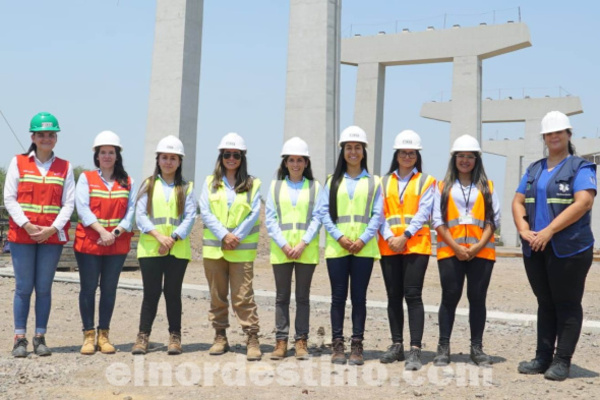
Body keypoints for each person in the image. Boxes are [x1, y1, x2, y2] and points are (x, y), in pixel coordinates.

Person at [513, 111, 596, 381]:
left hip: (569, 248)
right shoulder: (534, 168)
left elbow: (583, 202)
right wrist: (524, 229)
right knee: (545, 302)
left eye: (559, 132)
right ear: (544, 138)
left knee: (567, 303)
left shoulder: (580, 167)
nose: (554, 137)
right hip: (536, 247)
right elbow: (517, 201)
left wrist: (548, 231)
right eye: (549, 133)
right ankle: (542, 357)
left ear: (569, 134)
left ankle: (562, 361)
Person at [4, 112, 75, 357]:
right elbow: (9, 198)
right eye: (41, 134)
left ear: (56, 138)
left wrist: (52, 229)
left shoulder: (65, 167)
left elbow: (69, 203)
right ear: (33, 137)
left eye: (51, 134)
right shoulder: (19, 162)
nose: (46, 138)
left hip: (51, 238)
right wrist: (27, 225)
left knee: (44, 288)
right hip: (23, 236)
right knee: (24, 288)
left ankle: (40, 337)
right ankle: (20, 338)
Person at [431, 134, 500, 367]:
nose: (465, 160)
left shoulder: (487, 187)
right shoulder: (442, 187)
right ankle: (443, 347)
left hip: (481, 254)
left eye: (470, 156)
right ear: (454, 159)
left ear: (477, 160)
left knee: (477, 299)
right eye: (461, 156)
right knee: (449, 298)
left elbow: (493, 220)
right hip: (451, 252)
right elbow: (438, 221)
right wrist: (457, 247)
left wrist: (477, 246)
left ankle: (477, 348)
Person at [319, 125, 384, 366]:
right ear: (343, 151)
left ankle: (357, 345)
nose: (353, 152)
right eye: (349, 148)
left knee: (359, 298)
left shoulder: (374, 182)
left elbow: (378, 214)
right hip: (338, 248)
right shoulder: (331, 181)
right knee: (337, 298)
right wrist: (340, 237)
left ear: (364, 151)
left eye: (357, 147)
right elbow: (323, 212)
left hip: (363, 249)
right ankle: (338, 345)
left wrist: (362, 239)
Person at [200, 132, 262, 361]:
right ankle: (220, 336)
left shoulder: (253, 184)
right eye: (227, 154)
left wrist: (235, 236)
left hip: (241, 249)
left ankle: (252, 337)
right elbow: (205, 211)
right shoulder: (209, 183)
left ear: (242, 157)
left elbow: (254, 213)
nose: (231, 158)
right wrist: (224, 235)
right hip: (215, 249)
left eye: (236, 154)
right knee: (217, 295)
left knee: (243, 295)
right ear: (221, 156)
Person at [131, 135, 196, 356]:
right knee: (151, 293)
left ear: (179, 162)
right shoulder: (148, 185)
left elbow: (189, 217)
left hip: (177, 250)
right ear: (158, 159)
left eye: (173, 158)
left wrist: (173, 238)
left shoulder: (186, 188)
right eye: (164, 157)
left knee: (172, 293)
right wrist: (160, 237)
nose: (168, 162)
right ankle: (143, 336)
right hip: (151, 249)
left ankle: (175, 337)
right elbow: (140, 215)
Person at [74, 131, 136, 355]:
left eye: (111, 152)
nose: (107, 156)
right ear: (97, 156)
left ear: (117, 155)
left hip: (115, 244)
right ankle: (88, 336)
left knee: (109, 290)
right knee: (88, 289)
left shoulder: (127, 181)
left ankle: (104, 335)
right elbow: (82, 207)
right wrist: (102, 231)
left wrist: (116, 232)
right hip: (91, 242)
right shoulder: (86, 178)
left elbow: (131, 211)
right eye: (103, 152)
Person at [377, 130, 435, 370]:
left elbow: (424, 212)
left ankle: (415, 348)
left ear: (417, 155)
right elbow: (378, 213)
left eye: (411, 153)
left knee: (412, 295)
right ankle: (397, 344)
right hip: (390, 246)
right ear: (397, 154)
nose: (407, 156)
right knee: (393, 296)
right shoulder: (383, 181)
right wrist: (392, 237)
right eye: (403, 152)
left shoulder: (426, 181)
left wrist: (405, 236)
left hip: (415, 245)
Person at [265, 137, 322, 360]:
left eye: (300, 160)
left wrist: (302, 243)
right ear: (285, 163)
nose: (296, 164)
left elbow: (318, 218)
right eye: (291, 160)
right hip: (282, 250)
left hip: (305, 250)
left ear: (306, 163)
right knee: (281, 297)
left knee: (302, 298)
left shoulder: (315, 187)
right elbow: (270, 219)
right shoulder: (275, 186)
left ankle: (301, 341)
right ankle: (281, 341)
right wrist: (285, 244)